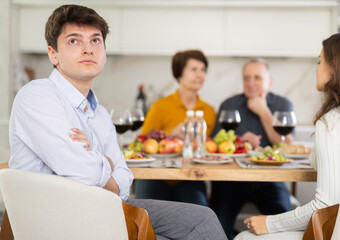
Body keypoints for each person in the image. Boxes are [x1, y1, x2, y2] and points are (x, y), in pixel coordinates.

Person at [8, 5, 227, 240]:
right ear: (53, 54)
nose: (87, 49)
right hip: (57, 219)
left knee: (201, 218)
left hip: (105, 210)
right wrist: (106, 161)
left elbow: (124, 181)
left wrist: (92, 155)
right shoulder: (37, 96)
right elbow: (83, 171)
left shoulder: (100, 114)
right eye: (74, 41)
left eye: (95, 41)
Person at [235, 32, 340, 239]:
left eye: (320, 62)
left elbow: (327, 204)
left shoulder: (333, 121)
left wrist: (270, 222)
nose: (317, 69)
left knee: (242, 237)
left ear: (334, 66)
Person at [210, 58, 294, 239]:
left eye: (257, 77)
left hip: (270, 181)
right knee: (215, 229)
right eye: (246, 78)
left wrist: (263, 111)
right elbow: (214, 145)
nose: (251, 83)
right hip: (230, 181)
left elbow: (286, 145)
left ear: (269, 81)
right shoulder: (229, 105)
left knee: (286, 229)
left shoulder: (282, 105)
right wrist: (239, 141)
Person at [135, 50, 216, 206]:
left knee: (198, 215)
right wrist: (170, 136)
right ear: (179, 73)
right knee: (146, 217)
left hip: (190, 176)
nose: (199, 75)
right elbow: (141, 144)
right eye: (193, 69)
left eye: (203, 70)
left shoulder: (209, 111)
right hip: (155, 176)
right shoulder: (160, 106)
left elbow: (211, 149)